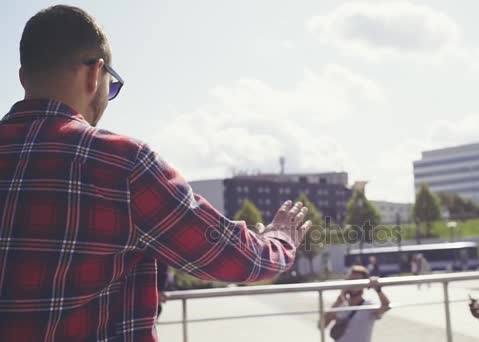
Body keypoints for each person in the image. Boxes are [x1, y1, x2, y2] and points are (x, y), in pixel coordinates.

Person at [0, 5, 312, 341]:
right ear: (95, 74)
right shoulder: (122, 164)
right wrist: (281, 238)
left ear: (22, 78)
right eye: (111, 86)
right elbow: (234, 259)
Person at [323, 266, 390, 342]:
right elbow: (322, 325)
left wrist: (378, 289)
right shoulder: (340, 305)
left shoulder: (368, 305)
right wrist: (339, 300)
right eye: (351, 280)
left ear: (364, 285)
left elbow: (386, 306)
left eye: (357, 281)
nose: (354, 285)